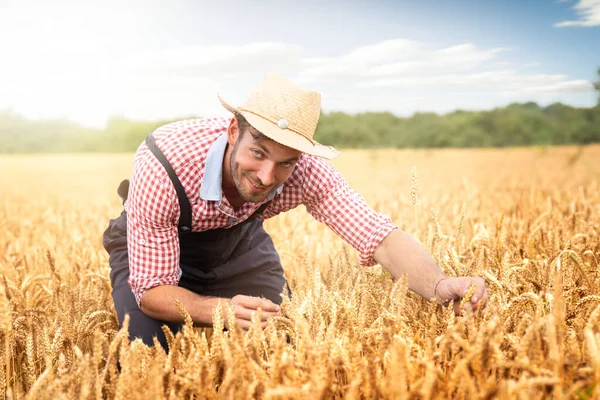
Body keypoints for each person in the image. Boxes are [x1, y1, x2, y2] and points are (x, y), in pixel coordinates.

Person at [102, 73, 488, 350]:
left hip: (238, 245)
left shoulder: (308, 171)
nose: (267, 177)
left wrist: (439, 285)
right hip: (153, 240)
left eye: (286, 162)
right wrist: (212, 308)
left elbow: (379, 236)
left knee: (284, 339)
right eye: (258, 153)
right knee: (144, 348)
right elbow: (152, 288)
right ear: (234, 131)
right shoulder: (166, 163)